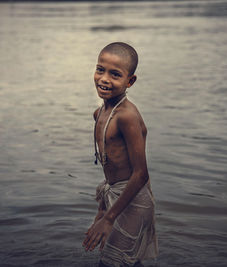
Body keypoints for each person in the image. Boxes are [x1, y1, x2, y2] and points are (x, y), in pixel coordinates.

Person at [83, 42, 158, 267]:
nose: (104, 79)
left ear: (130, 81)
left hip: (133, 199)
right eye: (100, 70)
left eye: (115, 74)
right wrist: (102, 210)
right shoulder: (100, 113)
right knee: (125, 262)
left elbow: (141, 174)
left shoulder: (127, 116)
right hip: (115, 198)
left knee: (111, 263)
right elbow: (112, 169)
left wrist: (109, 218)